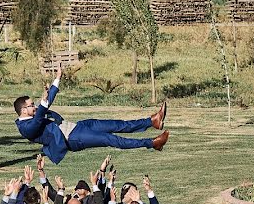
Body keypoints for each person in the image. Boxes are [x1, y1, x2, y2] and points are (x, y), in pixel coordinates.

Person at [15, 65, 169, 164]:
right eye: (31, 106)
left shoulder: (34, 114)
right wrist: (42, 104)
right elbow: (39, 118)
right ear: (23, 110)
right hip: (72, 138)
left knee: (116, 124)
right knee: (111, 139)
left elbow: (46, 103)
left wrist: (58, 78)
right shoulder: (25, 128)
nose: (34, 107)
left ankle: (152, 121)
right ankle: (152, 143)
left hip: (77, 126)